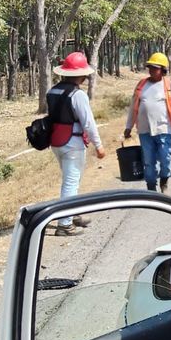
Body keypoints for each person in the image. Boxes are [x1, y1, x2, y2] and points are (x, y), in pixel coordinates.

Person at [47, 52, 106, 236]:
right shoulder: (78, 95)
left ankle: (73, 214)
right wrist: (99, 145)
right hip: (73, 143)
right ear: (80, 75)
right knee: (71, 183)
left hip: (56, 141)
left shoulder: (52, 91)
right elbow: (88, 122)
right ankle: (64, 224)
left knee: (72, 179)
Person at [124, 52, 171, 193]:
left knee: (165, 159)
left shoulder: (169, 85)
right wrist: (128, 127)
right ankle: (151, 188)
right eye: (150, 67)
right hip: (144, 130)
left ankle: (164, 180)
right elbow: (133, 107)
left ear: (163, 69)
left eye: (155, 68)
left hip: (163, 129)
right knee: (148, 161)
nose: (152, 70)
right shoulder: (141, 85)